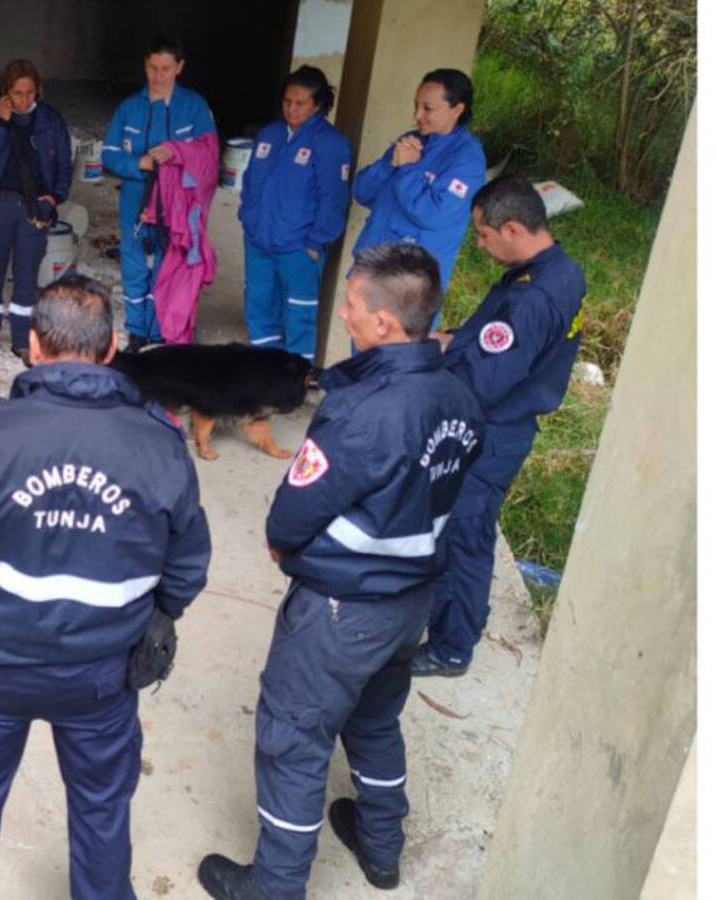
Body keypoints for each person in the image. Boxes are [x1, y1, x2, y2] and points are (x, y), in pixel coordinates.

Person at [0, 274, 212, 900]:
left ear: (33, 347)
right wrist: (153, 621)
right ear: (112, 347)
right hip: (100, 674)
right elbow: (188, 566)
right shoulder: (159, 444)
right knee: (102, 806)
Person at [197, 244, 485, 899]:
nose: (346, 317)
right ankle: (382, 848)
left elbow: (291, 517)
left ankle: (274, 885)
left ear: (384, 322)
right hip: (411, 602)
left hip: (340, 612)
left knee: (293, 740)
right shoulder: (459, 397)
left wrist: (287, 549)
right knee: (374, 720)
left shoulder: (362, 411)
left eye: (353, 306)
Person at [413, 176, 586, 677]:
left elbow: (484, 381)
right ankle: (452, 619)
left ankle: (450, 646)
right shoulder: (552, 269)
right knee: (461, 531)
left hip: (492, 431)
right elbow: (495, 341)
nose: (480, 244)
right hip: (503, 420)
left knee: (464, 537)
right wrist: (455, 340)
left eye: (485, 235)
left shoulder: (534, 297)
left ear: (512, 228)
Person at [102, 35, 217, 351]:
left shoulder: (194, 107)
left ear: (180, 68)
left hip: (176, 204)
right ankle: (138, 331)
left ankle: (162, 331)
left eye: (166, 68)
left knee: (170, 263)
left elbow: (209, 159)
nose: (158, 75)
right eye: (153, 67)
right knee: (134, 263)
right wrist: (139, 163)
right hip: (136, 199)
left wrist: (179, 153)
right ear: (145, 64)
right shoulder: (129, 108)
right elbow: (109, 154)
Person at [0, 59, 72, 373]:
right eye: (17, 93)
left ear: (38, 90)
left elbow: (64, 164)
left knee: (26, 279)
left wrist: (55, 197)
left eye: (29, 92)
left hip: (32, 208)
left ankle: (23, 342)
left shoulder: (50, 120)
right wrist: (0, 122)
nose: (24, 99)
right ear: (5, 93)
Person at [239, 66, 352, 361]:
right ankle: (265, 371)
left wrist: (316, 242)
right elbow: (250, 181)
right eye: (287, 101)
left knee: (298, 312)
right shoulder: (269, 134)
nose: (291, 108)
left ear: (317, 105)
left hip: (299, 248)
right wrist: (248, 219)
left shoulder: (330, 143)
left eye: (300, 103)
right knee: (259, 305)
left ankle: (296, 379)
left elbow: (334, 200)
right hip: (259, 240)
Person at [352, 68, 486, 295]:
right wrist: (389, 165)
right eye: (416, 106)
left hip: (409, 286)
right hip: (372, 269)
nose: (417, 116)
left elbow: (432, 214)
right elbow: (362, 192)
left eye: (428, 108)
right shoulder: (411, 141)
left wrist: (408, 169)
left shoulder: (467, 158)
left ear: (457, 109)